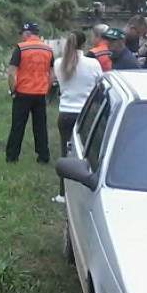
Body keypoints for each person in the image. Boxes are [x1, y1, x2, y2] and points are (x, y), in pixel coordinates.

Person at [52, 31, 103, 203]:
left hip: (66, 113)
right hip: (86, 115)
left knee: (66, 155)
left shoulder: (59, 63)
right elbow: (100, 85)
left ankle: (63, 194)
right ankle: (86, 193)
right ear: (84, 43)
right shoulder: (93, 63)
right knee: (88, 156)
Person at [5, 22, 54, 164]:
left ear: (27, 33)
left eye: (22, 34)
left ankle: (12, 157)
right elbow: (52, 75)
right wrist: (46, 89)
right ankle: (43, 156)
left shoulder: (21, 48)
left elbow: (11, 73)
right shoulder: (48, 49)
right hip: (40, 93)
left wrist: (13, 90)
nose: (21, 37)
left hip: (23, 93)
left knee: (18, 126)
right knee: (40, 126)